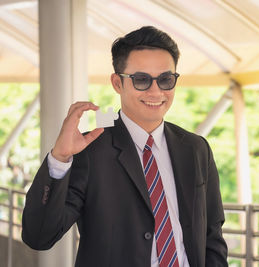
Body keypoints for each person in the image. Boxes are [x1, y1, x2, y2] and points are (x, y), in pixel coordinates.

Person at [21, 26, 228, 267]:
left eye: (166, 79)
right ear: (117, 83)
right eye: (141, 80)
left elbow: (212, 236)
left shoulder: (195, 148)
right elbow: (39, 237)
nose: (156, 91)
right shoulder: (90, 151)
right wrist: (60, 158)